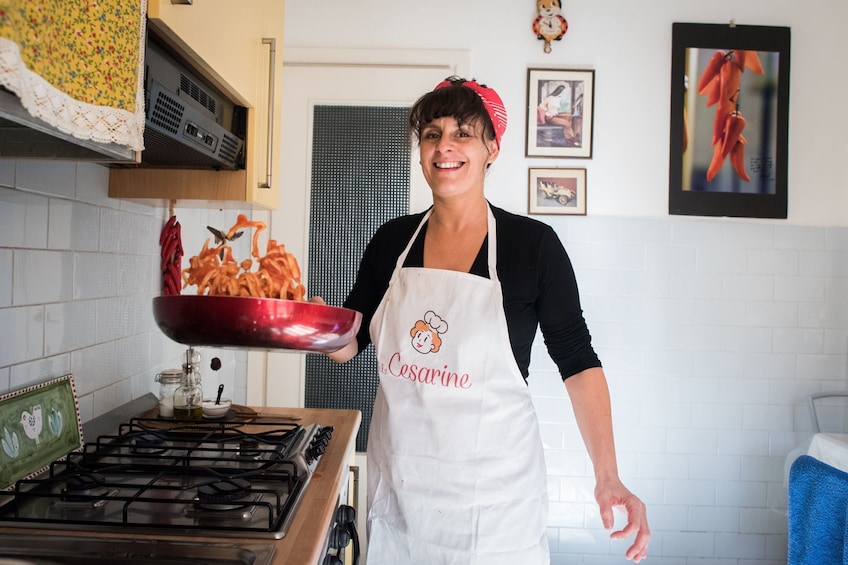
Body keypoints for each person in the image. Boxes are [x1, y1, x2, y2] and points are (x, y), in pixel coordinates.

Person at [318, 76, 650, 564]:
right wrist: (286, 317)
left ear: (491, 148)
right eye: (431, 134)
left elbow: (578, 363)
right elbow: (345, 346)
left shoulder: (532, 247)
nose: (444, 147)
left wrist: (608, 475)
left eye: (462, 133)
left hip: (495, 510)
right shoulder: (392, 242)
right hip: (402, 504)